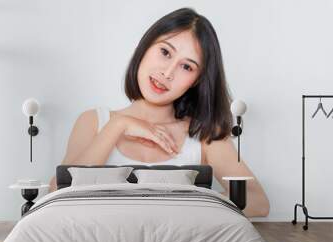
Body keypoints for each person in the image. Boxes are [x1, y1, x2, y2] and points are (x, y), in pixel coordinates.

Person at [48, 8, 270, 217]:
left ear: (196, 81)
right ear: (144, 47)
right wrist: (118, 126)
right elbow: (57, 192)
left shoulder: (203, 135)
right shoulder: (94, 121)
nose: (168, 72)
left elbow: (257, 201)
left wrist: (178, 207)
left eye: (187, 67)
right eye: (165, 52)